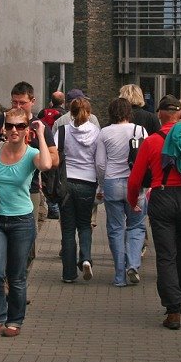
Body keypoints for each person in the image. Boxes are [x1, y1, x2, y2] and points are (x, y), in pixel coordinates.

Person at [127, 95, 181, 330]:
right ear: (179, 115)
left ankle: (173, 309)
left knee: (166, 255)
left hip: (162, 197)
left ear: (159, 115)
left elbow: (135, 179)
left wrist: (131, 200)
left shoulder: (151, 141)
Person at [0, 106, 51, 340]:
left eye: (20, 126)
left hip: (22, 221)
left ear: (26, 130)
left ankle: (14, 320)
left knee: (17, 276)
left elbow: (47, 165)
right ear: (3, 128)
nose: (14, 130)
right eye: (10, 125)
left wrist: (41, 134)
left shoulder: (31, 154)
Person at [0, 82, 60, 247]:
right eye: (14, 102)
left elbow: (54, 159)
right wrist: (2, 146)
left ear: (32, 101)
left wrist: (33, 157)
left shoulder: (40, 126)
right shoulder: (2, 121)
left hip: (29, 190)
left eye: (22, 102)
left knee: (27, 244)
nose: (18, 106)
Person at [95, 98, 149, 287]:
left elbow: (100, 164)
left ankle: (119, 276)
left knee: (116, 229)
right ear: (129, 112)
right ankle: (133, 264)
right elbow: (146, 159)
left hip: (112, 183)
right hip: (135, 184)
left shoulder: (104, 133)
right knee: (136, 227)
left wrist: (101, 185)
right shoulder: (140, 130)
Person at [57, 96, 101, 283]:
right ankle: (85, 258)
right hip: (88, 183)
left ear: (71, 113)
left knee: (67, 229)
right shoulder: (97, 133)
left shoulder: (63, 131)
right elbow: (99, 162)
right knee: (84, 224)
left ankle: (68, 274)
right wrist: (100, 184)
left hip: (66, 183)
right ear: (89, 113)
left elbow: (56, 157)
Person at [38, 91, 68, 219]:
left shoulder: (43, 112)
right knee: (56, 180)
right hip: (56, 152)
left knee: (46, 180)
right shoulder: (63, 115)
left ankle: (51, 207)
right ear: (63, 102)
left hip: (42, 148)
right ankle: (56, 208)